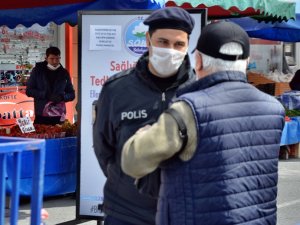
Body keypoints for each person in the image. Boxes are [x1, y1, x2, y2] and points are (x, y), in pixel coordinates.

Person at [122, 21, 285, 225]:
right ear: (247, 61)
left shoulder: (188, 110)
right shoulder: (274, 109)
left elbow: (133, 162)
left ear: (197, 61)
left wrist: (142, 135)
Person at [92, 7, 196, 225]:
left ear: (188, 45)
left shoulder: (199, 90)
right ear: (148, 40)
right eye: (163, 42)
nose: (170, 50)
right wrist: (125, 179)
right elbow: (104, 148)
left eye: (179, 44)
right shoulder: (117, 89)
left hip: (182, 212)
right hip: (126, 213)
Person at [26, 46, 75, 125]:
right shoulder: (38, 71)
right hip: (41, 115)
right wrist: (45, 94)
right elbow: (29, 91)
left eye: (57, 58)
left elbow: (72, 94)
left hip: (59, 115)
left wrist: (62, 97)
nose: (55, 61)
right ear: (46, 58)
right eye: (52, 59)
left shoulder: (64, 73)